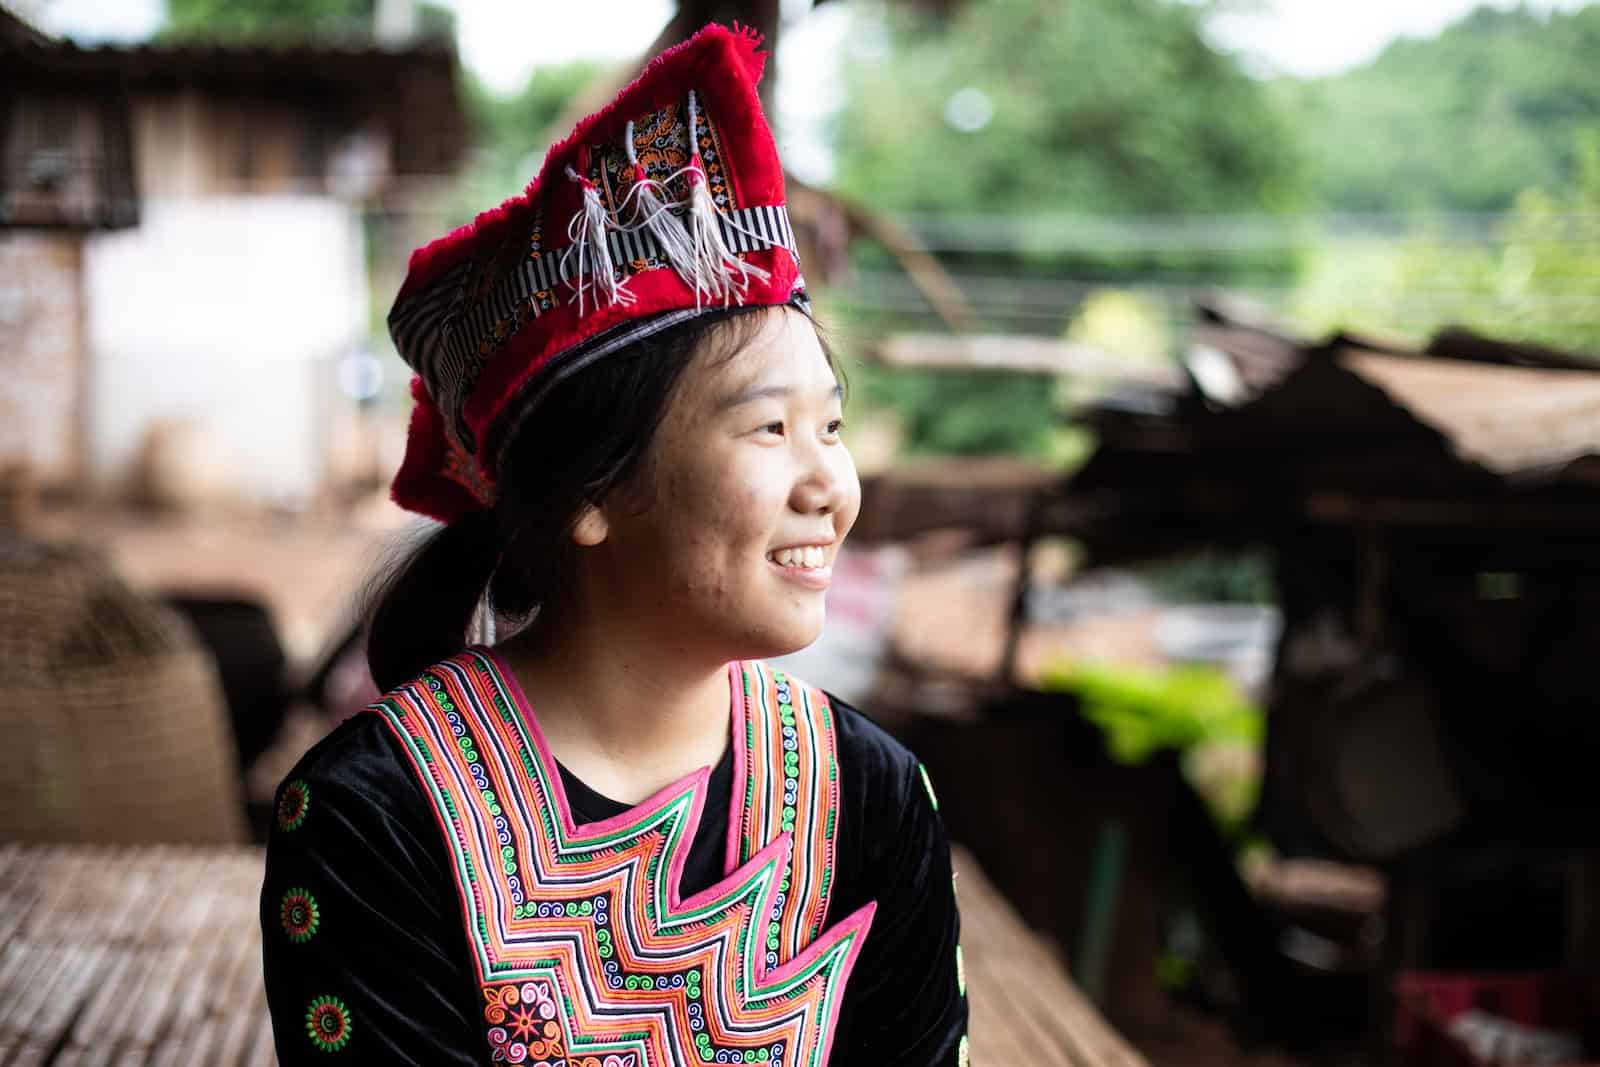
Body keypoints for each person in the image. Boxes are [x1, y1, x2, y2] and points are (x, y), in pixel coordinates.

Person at [260, 23, 967, 1066]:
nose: (832, 486)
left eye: (833, 426)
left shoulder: (871, 794)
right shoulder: (377, 815)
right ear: (591, 491)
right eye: (770, 429)